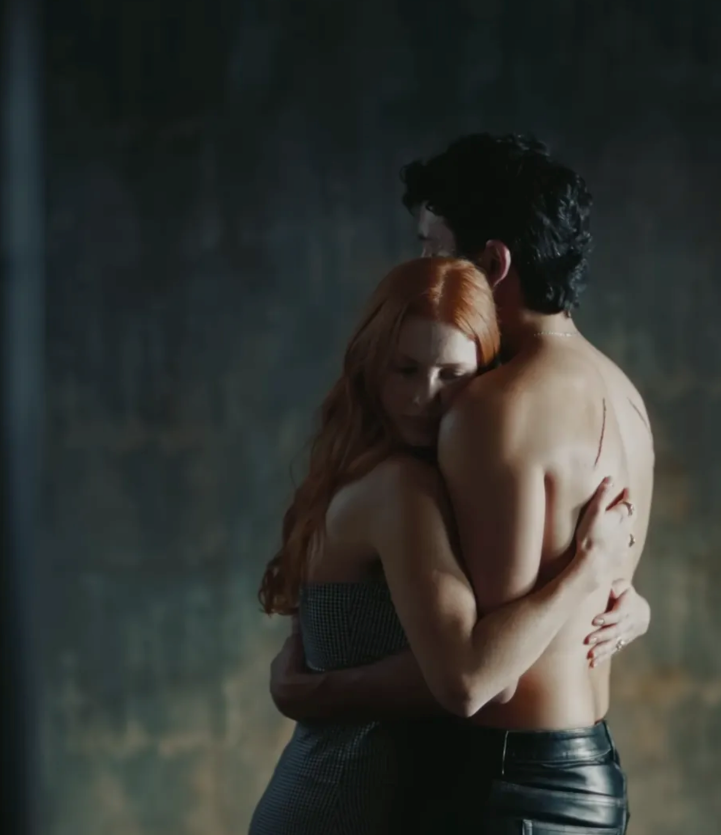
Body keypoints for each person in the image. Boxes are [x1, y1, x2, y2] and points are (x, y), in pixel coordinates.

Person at [269, 134, 656, 834]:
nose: (423, 269)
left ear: (492, 262)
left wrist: (310, 691)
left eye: (432, 248)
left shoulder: (490, 408)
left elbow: (479, 678)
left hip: (503, 781)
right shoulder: (623, 394)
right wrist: (621, 592)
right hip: (594, 774)